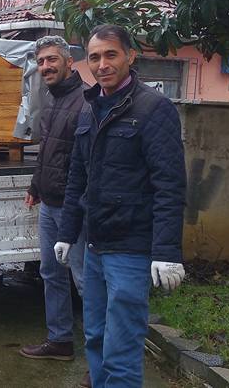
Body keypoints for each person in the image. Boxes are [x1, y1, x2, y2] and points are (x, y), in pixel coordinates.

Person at [54, 24, 187, 388]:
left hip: (130, 248)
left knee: (121, 346)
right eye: (94, 57)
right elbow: (77, 177)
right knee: (95, 336)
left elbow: (169, 184)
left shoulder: (153, 109)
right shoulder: (90, 108)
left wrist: (166, 252)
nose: (102, 65)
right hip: (94, 244)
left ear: (130, 55)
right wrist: (67, 232)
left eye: (110, 55)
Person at [19, 36, 89, 370]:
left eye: (52, 60)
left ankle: (102, 362)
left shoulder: (86, 101)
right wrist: (36, 185)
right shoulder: (52, 98)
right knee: (51, 273)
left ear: (69, 61)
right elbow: (48, 148)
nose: (45, 67)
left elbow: (84, 163)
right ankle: (60, 341)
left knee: (85, 281)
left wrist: (75, 204)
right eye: (41, 61)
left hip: (73, 208)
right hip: (49, 202)